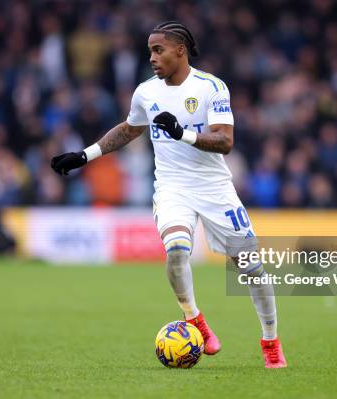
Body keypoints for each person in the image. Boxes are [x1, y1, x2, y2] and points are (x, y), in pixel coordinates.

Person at [51, 21, 286, 368]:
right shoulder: (146, 92)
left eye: (158, 50)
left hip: (215, 189)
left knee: (252, 269)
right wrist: (85, 155)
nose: (152, 58)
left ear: (180, 50)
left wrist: (183, 135)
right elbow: (130, 129)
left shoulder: (211, 87)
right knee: (177, 252)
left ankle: (270, 342)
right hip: (172, 188)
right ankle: (197, 323)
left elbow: (226, 140)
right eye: (149, 51)